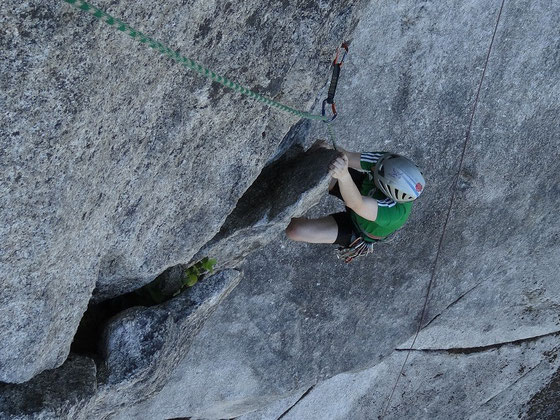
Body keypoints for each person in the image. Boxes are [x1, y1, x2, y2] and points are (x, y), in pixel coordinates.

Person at [285, 142, 425, 262]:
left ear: (385, 186)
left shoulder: (394, 214)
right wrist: (327, 150)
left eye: (377, 169)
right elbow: (348, 156)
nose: (375, 166)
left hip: (359, 229)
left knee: (295, 230)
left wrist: (344, 176)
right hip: (361, 187)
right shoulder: (389, 162)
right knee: (321, 162)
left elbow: (357, 204)